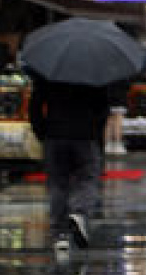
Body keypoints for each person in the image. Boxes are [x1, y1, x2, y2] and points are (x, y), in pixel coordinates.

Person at [27, 73, 110, 256]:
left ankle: (60, 234)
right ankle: (79, 212)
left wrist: (42, 131)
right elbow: (103, 108)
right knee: (87, 178)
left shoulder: (48, 73)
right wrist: (95, 131)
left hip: (55, 135)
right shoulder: (94, 75)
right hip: (85, 136)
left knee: (57, 183)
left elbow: (35, 106)